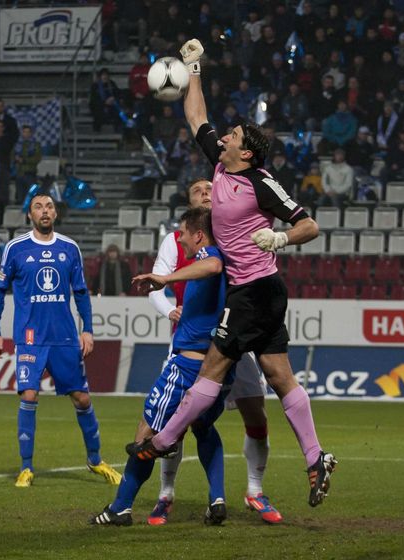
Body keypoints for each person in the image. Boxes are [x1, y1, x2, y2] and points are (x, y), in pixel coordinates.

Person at [128, 38, 337, 510]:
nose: (224, 138)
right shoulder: (220, 168)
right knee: (281, 376)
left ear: (246, 153)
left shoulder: (261, 183)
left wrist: (281, 238)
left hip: (255, 291)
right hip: (259, 294)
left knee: (212, 368)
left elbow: (309, 224)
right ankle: (315, 455)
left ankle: (161, 441)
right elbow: (196, 116)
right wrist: (194, 68)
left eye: (234, 137)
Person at [143, 177, 281, 526]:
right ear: (189, 205)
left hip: (234, 342)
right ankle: (165, 494)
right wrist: (168, 310)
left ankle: (254, 490)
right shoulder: (177, 239)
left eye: (209, 189)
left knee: (257, 415)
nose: (206, 193)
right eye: (197, 191)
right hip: (190, 345)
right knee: (176, 418)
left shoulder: (236, 234)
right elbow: (156, 284)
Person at [90, 208, 232, 527]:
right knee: (203, 427)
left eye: (182, 232)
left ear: (198, 234)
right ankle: (218, 498)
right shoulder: (231, 257)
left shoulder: (211, 256)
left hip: (188, 366)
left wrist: (166, 278)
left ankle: (120, 508)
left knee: (147, 428)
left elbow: (212, 264)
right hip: (219, 370)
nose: (179, 238)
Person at [0, 193, 122, 488]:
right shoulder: (16, 249)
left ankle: (96, 460)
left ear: (56, 214)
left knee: (82, 398)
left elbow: (81, 293)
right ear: (30, 215)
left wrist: (87, 329)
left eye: (49, 206)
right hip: (30, 337)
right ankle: (26, 467)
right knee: (29, 395)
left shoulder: (69, 248)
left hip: (64, 337)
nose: (44, 211)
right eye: (38, 207)